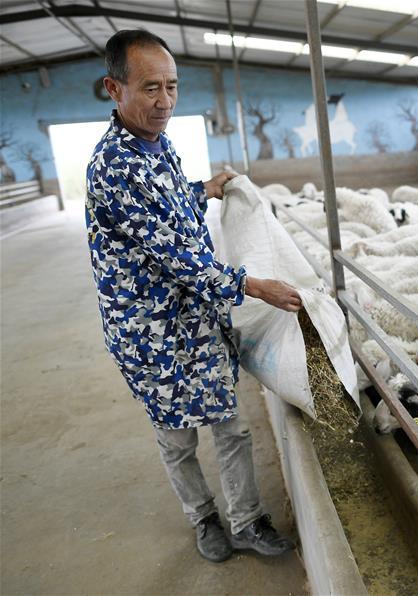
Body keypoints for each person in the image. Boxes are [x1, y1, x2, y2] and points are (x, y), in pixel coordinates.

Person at [85, 29, 298, 563]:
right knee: (178, 439)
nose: (165, 103)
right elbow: (176, 257)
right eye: (151, 88)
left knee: (231, 424)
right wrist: (254, 285)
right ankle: (204, 519)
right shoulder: (112, 168)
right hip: (150, 333)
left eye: (172, 87)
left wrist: (203, 189)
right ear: (115, 88)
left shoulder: (159, 144)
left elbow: (170, 204)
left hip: (197, 320)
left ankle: (246, 520)